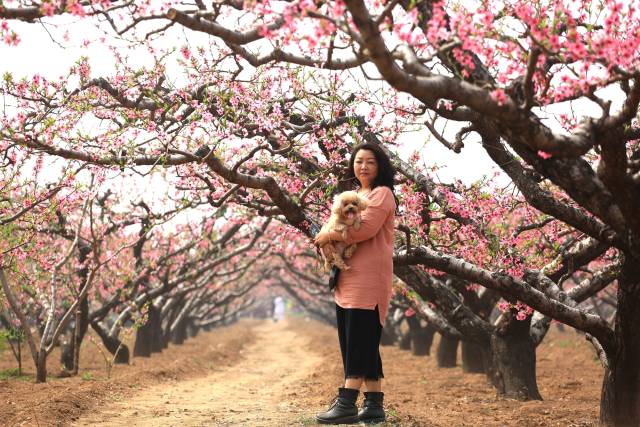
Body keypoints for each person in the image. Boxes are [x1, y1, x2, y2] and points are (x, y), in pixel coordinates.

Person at [313, 142, 398, 425]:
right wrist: (326, 237)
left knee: (359, 340)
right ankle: (374, 404)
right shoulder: (356, 194)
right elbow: (329, 227)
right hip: (346, 277)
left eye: (370, 162)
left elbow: (366, 229)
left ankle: (347, 402)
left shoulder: (382, 194)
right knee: (360, 340)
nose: (363, 166)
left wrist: (328, 237)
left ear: (380, 166)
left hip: (368, 279)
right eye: (359, 161)